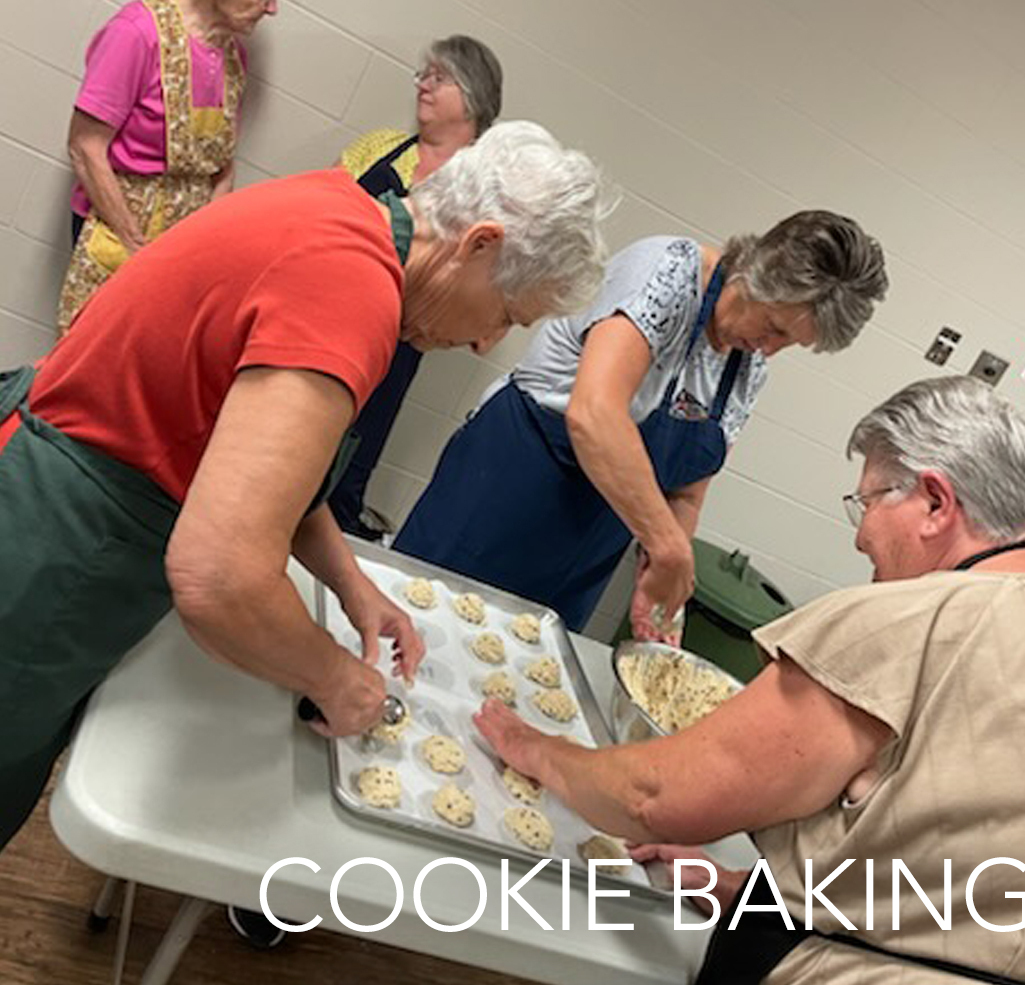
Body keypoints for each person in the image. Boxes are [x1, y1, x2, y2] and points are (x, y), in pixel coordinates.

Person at [0, 120, 607, 854]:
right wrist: (341, 681)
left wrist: (352, 585)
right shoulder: (347, 291)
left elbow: (266, 460)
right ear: (479, 245)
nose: (486, 343)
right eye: (507, 314)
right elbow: (220, 578)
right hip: (49, 538)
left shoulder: (344, 214)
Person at [474, 375, 1025, 984]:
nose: (860, 533)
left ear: (934, 503)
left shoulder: (911, 622)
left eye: (867, 502)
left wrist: (540, 750)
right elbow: (981, 856)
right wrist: (746, 892)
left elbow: (655, 797)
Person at [394, 213, 888, 638]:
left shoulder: (746, 370)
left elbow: (686, 495)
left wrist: (658, 586)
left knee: (522, 674)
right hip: (508, 486)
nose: (770, 349)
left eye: (791, 344)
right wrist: (669, 549)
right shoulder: (666, 272)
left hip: (591, 541)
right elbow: (595, 413)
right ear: (758, 276)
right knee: (420, 625)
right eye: (776, 328)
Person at [58, 0, 285, 332]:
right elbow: (86, 146)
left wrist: (201, 246)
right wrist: (134, 245)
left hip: (181, 243)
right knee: (88, 361)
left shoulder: (234, 54)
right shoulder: (136, 32)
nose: (271, 8)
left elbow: (221, 164)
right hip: (119, 228)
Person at [329, 35, 504, 539]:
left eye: (438, 77)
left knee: (347, 457)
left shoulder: (484, 186)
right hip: (326, 305)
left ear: (472, 97)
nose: (423, 85)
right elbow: (327, 203)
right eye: (422, 74)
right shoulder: (382, 146)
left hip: (395, 339)